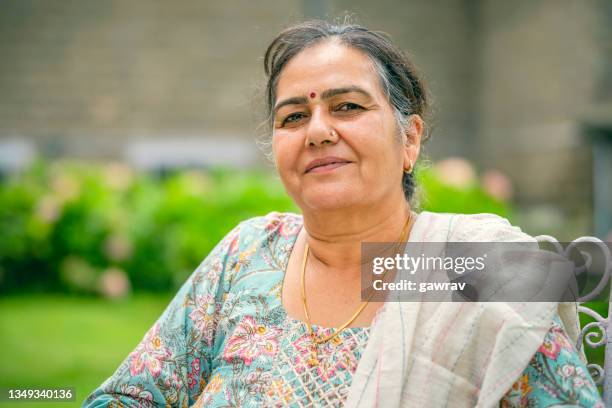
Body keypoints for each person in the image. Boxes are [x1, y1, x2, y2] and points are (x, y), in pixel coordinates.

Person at [83, 19, 603, 407]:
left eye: (347, 106)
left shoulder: (473, 268)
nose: (317, 130)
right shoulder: (247, 254)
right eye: (294, 116)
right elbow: (131, 396)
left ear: (410, 140)